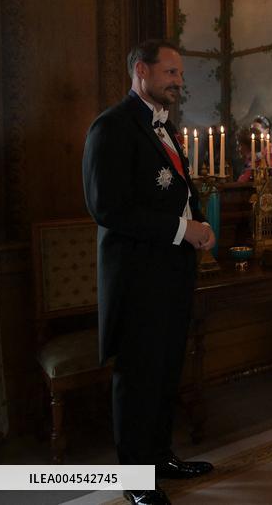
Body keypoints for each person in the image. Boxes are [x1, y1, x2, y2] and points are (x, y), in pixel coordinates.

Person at [82, 40, 216, 505]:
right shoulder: (112, 128)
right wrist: (185, 229)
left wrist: (197, 226)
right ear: (141, 70)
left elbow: (173, 192)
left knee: (165, 372)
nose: (179, 81)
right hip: (136, 280)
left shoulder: (164, 128)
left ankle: (161, 457)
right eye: (171, 73)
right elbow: (108, 209)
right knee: (138, 378)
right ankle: (134, 481)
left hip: (172, 275)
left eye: (180, 74)